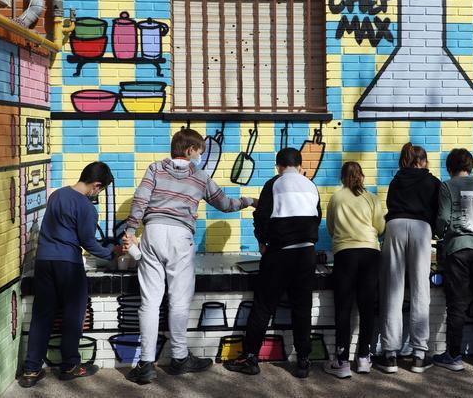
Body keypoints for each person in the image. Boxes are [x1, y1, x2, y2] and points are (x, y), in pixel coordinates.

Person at [124, 129, 256, 384]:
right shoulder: (200, 176)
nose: (200, 156)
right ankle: (179, 357)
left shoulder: (155, 169)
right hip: (179, 237)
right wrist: (249, 200)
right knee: (179, 300)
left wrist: (131, 230)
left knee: (149, 302)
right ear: (189, 150)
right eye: (199, 151)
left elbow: (140, 200)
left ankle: (146, 365)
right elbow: (225, 204)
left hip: (152, 233)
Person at [19, 162, 122, 388]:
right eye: (100, 189)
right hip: (68, 263)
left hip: (44, 261)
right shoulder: (86, 207)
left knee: (42, 314)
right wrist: (111, 253)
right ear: (96, 185)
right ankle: (70, 365)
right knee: (73, 314)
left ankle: (31, 369)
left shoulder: (57, 195)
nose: (98, 194)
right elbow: (88, 242)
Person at [224, 147, 321, 378]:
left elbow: (261, 217)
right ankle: (304, 360)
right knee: (302, 307)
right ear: (299, 166)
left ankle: (250, 357)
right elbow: (317, 217)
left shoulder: (274, 184)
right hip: (306, 254)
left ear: (279, 166)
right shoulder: (311, 185)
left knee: (264, 305)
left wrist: (262, 242)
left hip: (279, 254)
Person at [374, 142, 441, 374]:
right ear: (422, 161)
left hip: (395, 226)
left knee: (393, 288)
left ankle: (390, 354)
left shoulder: (396, 180)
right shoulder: (432, 182)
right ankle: (419, 355)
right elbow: (438, 211)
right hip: (422, 229)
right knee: (421, 289)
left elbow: (390, 205)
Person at [431, 148, 473, 372]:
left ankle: (453, 355)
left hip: (457, 249)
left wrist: (441, 233)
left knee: (457, 302)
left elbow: (442, 218)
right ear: (470, 166)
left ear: (450, 167)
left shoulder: (447, 186)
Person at [323, 162, 386, 378]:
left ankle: (341, 361)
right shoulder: (371, 198)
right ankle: (363, 358)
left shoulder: (336, 198)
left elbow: (331, 228)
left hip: (345, 254)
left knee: (343, 307)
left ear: (342, 177)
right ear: (362, 176)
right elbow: (380, 227)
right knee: (367, 307)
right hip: (370, 253)